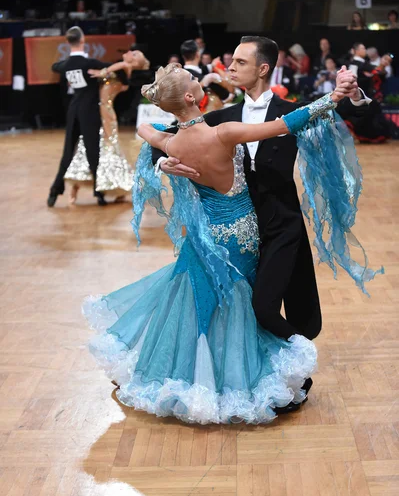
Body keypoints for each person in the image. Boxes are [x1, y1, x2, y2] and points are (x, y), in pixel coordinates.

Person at [83, 62, 381, 424]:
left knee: (197, 303)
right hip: (240, 233)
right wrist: (332, 98)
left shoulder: (171, 140)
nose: (202, 79)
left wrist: (165, 164)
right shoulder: (224, 133)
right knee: (236, 305)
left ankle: (197, 379)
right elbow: (286, 124)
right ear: (192, 97)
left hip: (204, 234)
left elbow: (146, 128)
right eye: (195, 80)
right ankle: (238, 378)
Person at [152, 36, 374, 396]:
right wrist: (165, 161)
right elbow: (162, 138)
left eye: (239, 62)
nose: (230, 68)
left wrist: (352, 93)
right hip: (239, 232)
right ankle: (263, 381)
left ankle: (300, 364)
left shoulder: (293, 109)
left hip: (282, 225)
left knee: (264, 307)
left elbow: (352, 112)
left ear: (262, 68)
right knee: (240, 312)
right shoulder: (220, 118)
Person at [63, 50, 139, 204]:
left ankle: (117, 187)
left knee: (108, 147)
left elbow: (121, 65)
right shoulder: (113, 72)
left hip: (106, 113)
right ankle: (74, 189)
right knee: (86, 146)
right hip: (92, 111)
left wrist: (102, 72)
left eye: (134, 53)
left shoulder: (125, 68)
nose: (129, 52)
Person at [47, 26, 109, 207]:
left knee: (68, 153)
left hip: (73, 110)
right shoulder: (89, 63)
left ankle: (54, 191)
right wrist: (102, 72)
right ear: (83, 41)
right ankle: (99, 193)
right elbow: (110, 67)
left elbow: (55, 66)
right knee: (93, 152)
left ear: (67, 42)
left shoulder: (66, 65)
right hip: (88, 112)